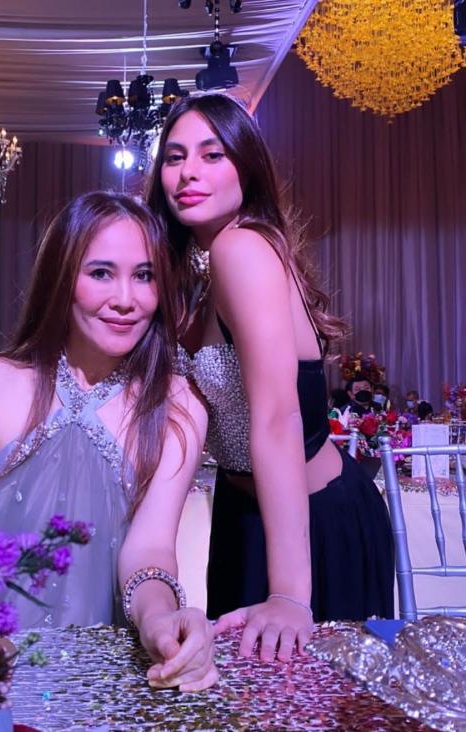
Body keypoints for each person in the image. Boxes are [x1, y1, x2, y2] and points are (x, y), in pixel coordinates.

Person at [0, 192, 217, 692]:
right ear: (61, 277)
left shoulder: (178, 404)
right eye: (101, 273)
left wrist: (159, 620)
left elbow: (149, 550)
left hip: (96, 677)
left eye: (144, 276)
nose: (125, 299)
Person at [147, 92, 394, 662]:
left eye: (212, 155)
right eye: (174, 157)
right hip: (245, 518)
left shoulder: (240, 248)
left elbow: (280, 417)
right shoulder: (209, 271)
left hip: (310, 526)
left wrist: (288, 593)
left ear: (248, 167)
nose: (188, 172)